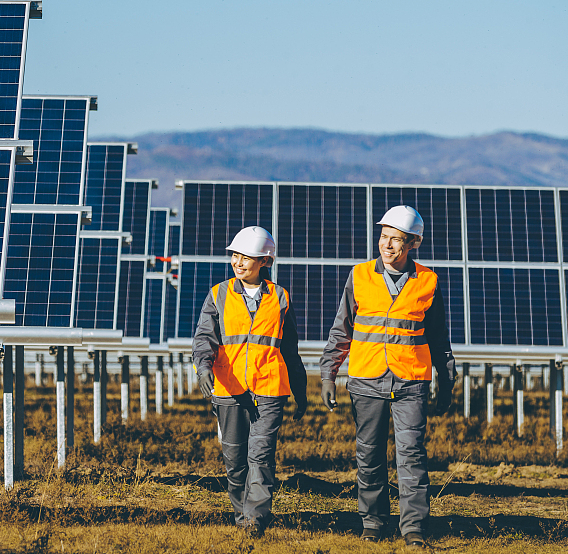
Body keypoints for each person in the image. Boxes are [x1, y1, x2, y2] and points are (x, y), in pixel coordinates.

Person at [318, 205, 456, 548]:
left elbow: (439, 337)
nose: (387, 245)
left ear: (413, 244)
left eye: (396, 240)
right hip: (366, 380)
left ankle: (413, 528)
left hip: (411, 381)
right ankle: (374, 523)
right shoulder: (360, 275)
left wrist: (447, 379)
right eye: (383, 237)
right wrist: (327, 374)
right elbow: (341, 331)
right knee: (369, 455)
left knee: (411, 456)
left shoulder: (428, 281)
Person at [191, 226, 308, 538]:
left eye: (246, 257)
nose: (238, 262)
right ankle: (242, 513)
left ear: (264, 261)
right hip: (229, 390)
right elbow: (204, 339)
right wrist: (203, 369)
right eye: (235, 255)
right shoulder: (218, 294)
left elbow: (290, 347)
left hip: (269, 389)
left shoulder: (280, 297)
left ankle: (254, 520)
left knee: (261, 455)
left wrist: (300, 389)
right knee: (234, 459)